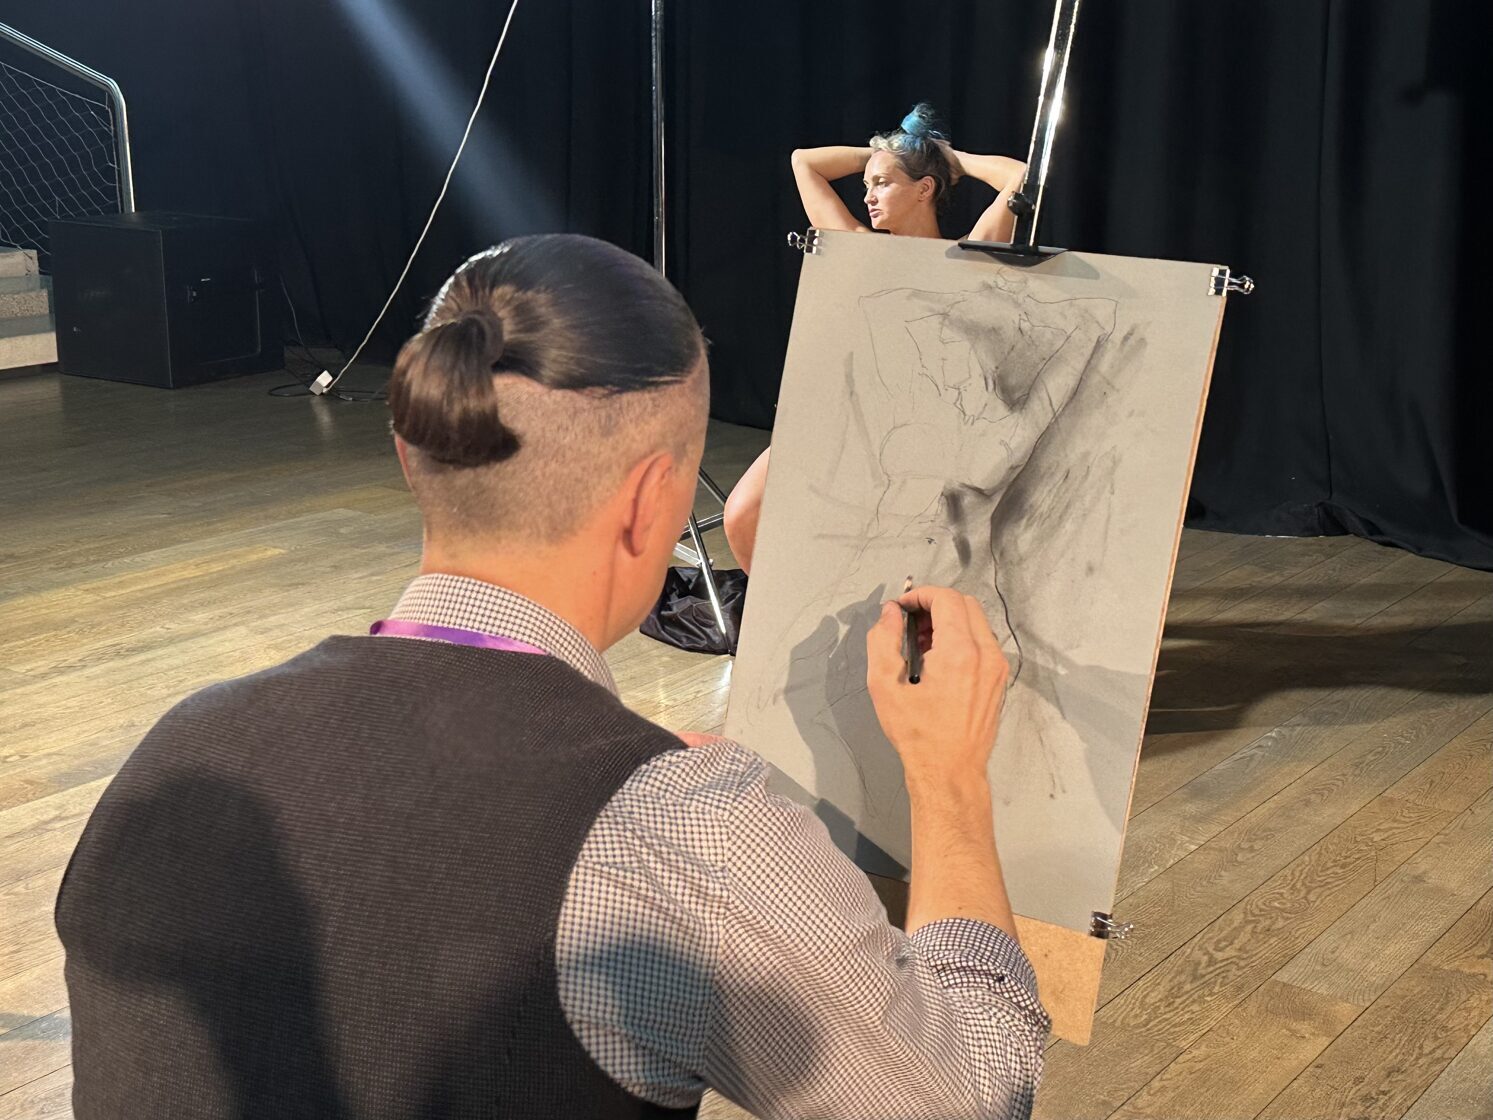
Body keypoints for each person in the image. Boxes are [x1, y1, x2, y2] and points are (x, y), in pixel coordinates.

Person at [55, 234, 1048, 1120]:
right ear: (650, 501)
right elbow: (968, 1100)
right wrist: (948, 783)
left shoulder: (177, 748)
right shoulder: (692, 830)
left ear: (409, 452)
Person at [723, 103, 1027, 574]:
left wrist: (947, 158)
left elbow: (1019, 177)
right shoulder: (859, 245)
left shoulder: (967, 257)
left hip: (916, 437)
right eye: (866, 185)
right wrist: (883, 154)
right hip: (839, 416)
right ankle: (774, 612)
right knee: (743, 515)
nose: (868, 196)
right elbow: (804, 161)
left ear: (924, 189)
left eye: (882, 184)